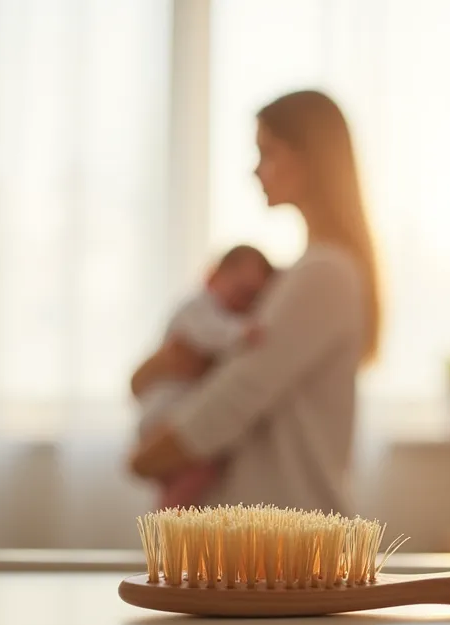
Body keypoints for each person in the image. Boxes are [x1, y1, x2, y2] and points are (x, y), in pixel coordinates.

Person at [126, 89, 382, 515]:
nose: (256, 171)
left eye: (268, 153)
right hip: (275, 537)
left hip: (292, 542)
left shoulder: (325, 273)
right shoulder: (301, 273)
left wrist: (142, 460)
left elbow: (230, 400)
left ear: (309, 159)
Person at [135, 243, 276, 509]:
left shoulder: (222, 316)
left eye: (253, 297)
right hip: (164, 416)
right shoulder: (196, 308)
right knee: (190, 479)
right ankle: (167, 529)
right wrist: (242, 333)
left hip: (175, 416)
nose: (243, 303)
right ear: (211, 277)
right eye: (241, 291)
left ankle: (170, 526)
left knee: (193, 479)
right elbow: (208, 333)